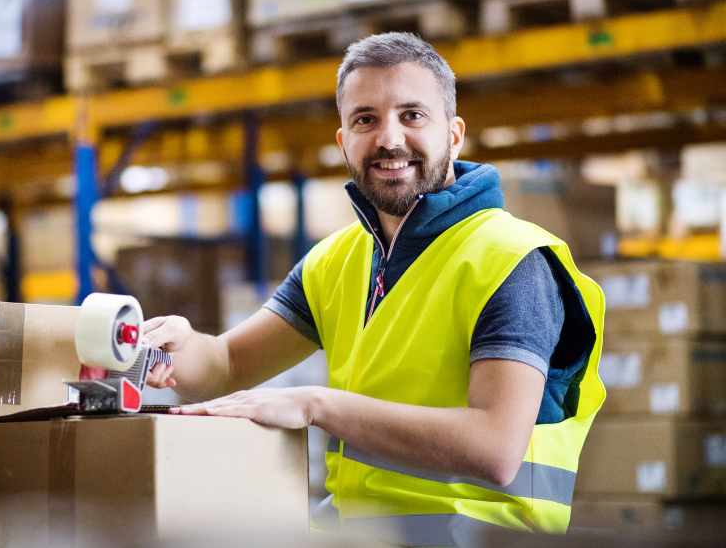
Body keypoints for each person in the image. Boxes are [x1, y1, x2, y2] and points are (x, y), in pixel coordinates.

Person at [141, 32, 606, 547]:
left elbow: (495, 449)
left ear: (453, 136)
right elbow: (227, 365)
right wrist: (180, 350)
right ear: (343, 141)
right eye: (366, 119)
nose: (389, 138)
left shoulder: (510, 261)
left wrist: (317, 404)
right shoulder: (336, 261)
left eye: (412, 115)